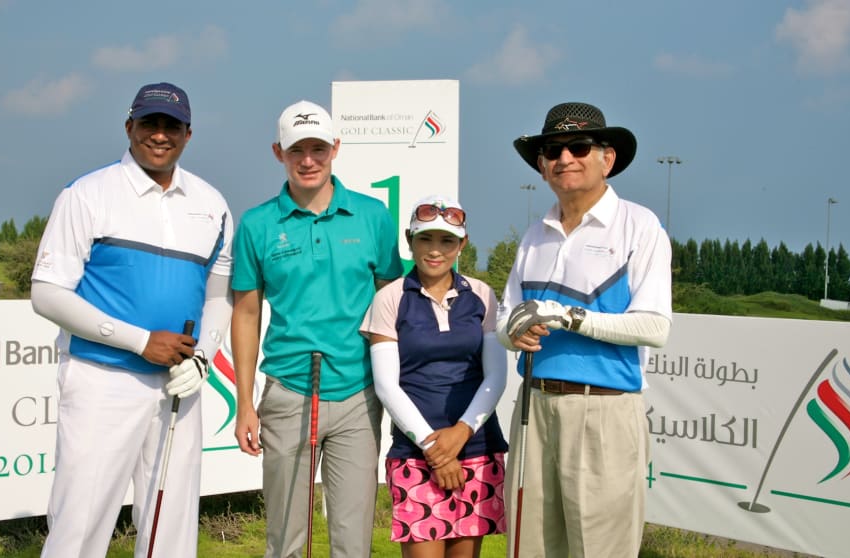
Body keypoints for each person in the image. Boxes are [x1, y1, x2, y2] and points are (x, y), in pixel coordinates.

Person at [30, 82, 233, 558]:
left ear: (187, 134)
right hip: (102, 379)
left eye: (171, 126)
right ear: (129, 127)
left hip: (178, 383)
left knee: (172, 524)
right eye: (149, 123)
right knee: (81, 520)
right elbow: (47, 293)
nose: (159, 135)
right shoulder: (87, 194)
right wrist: (140, 341)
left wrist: (202, 358)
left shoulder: (213, 203)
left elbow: (220, 296)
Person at [498, 101, 672, 558]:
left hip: (604, 411)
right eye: (553, 150)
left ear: (606, 158)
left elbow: (654, 326)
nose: (565, 158)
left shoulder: (639, 226)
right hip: (534, 406)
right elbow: (505, 318)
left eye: (579, 146)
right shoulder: (535, 235)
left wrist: (568, 317)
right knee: (530, 547)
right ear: (541, 165)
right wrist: (510, 332)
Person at [231, 99, 403, 558]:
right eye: (296, 150)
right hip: (289, 392)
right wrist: (245, 403)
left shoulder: (371, 216)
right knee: (286, 539)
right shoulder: (257, 224)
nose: (308, 160)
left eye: (318, 149)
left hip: (357, 394)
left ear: (335, 148)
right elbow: (246, 314)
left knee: (352, 542)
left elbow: (392, 305)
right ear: (277, 152)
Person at [361, 195, 509, 558]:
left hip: (476, 448)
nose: (435, 250)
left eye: (446, 240)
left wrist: (460, 434)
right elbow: (386, 385)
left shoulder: (482, 295)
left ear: (462, 244)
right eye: (425, 239)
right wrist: (435, 450)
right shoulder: (391, 298)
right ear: (409, 241)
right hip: (416, 452)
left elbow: (496, 377)